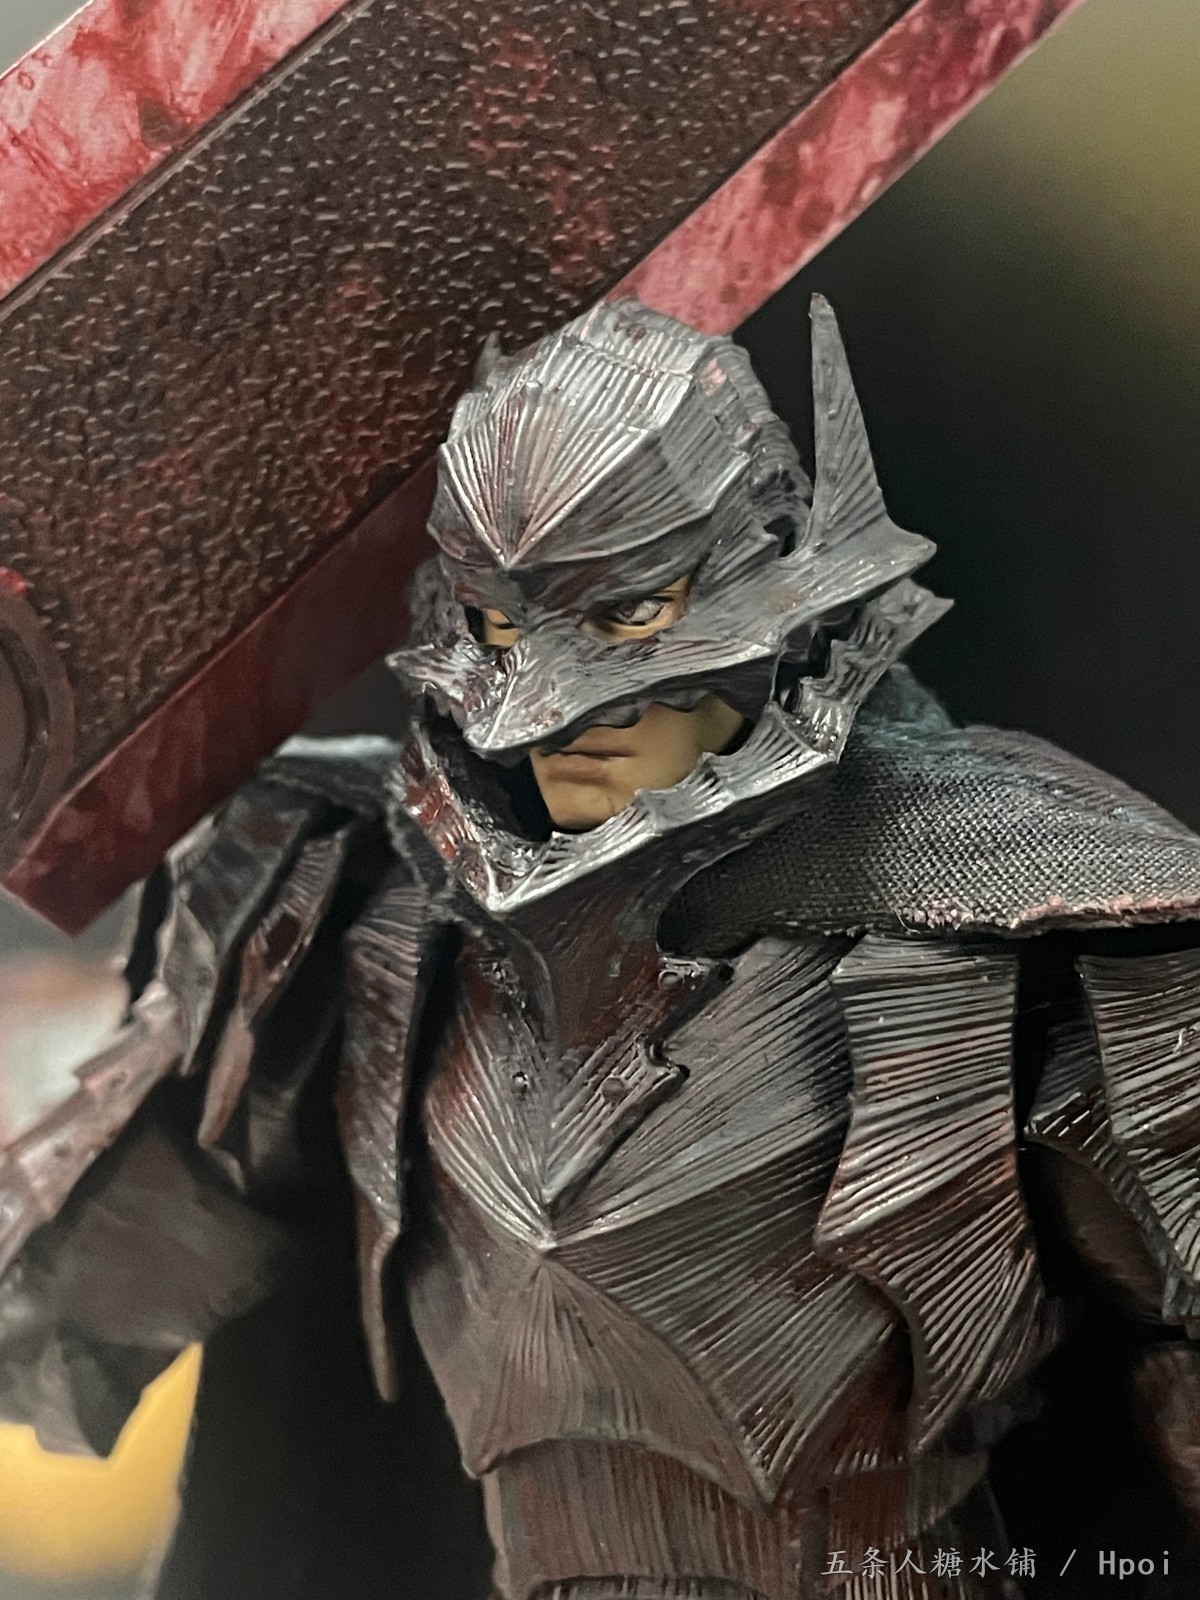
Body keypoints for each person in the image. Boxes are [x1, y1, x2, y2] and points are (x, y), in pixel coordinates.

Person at [3, 297, 1200, 1599]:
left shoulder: (1021, 900)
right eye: (506, 630)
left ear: (770, 580)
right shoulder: (355, 890)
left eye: (632, 615)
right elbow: (62, 1307)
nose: (551, 708)